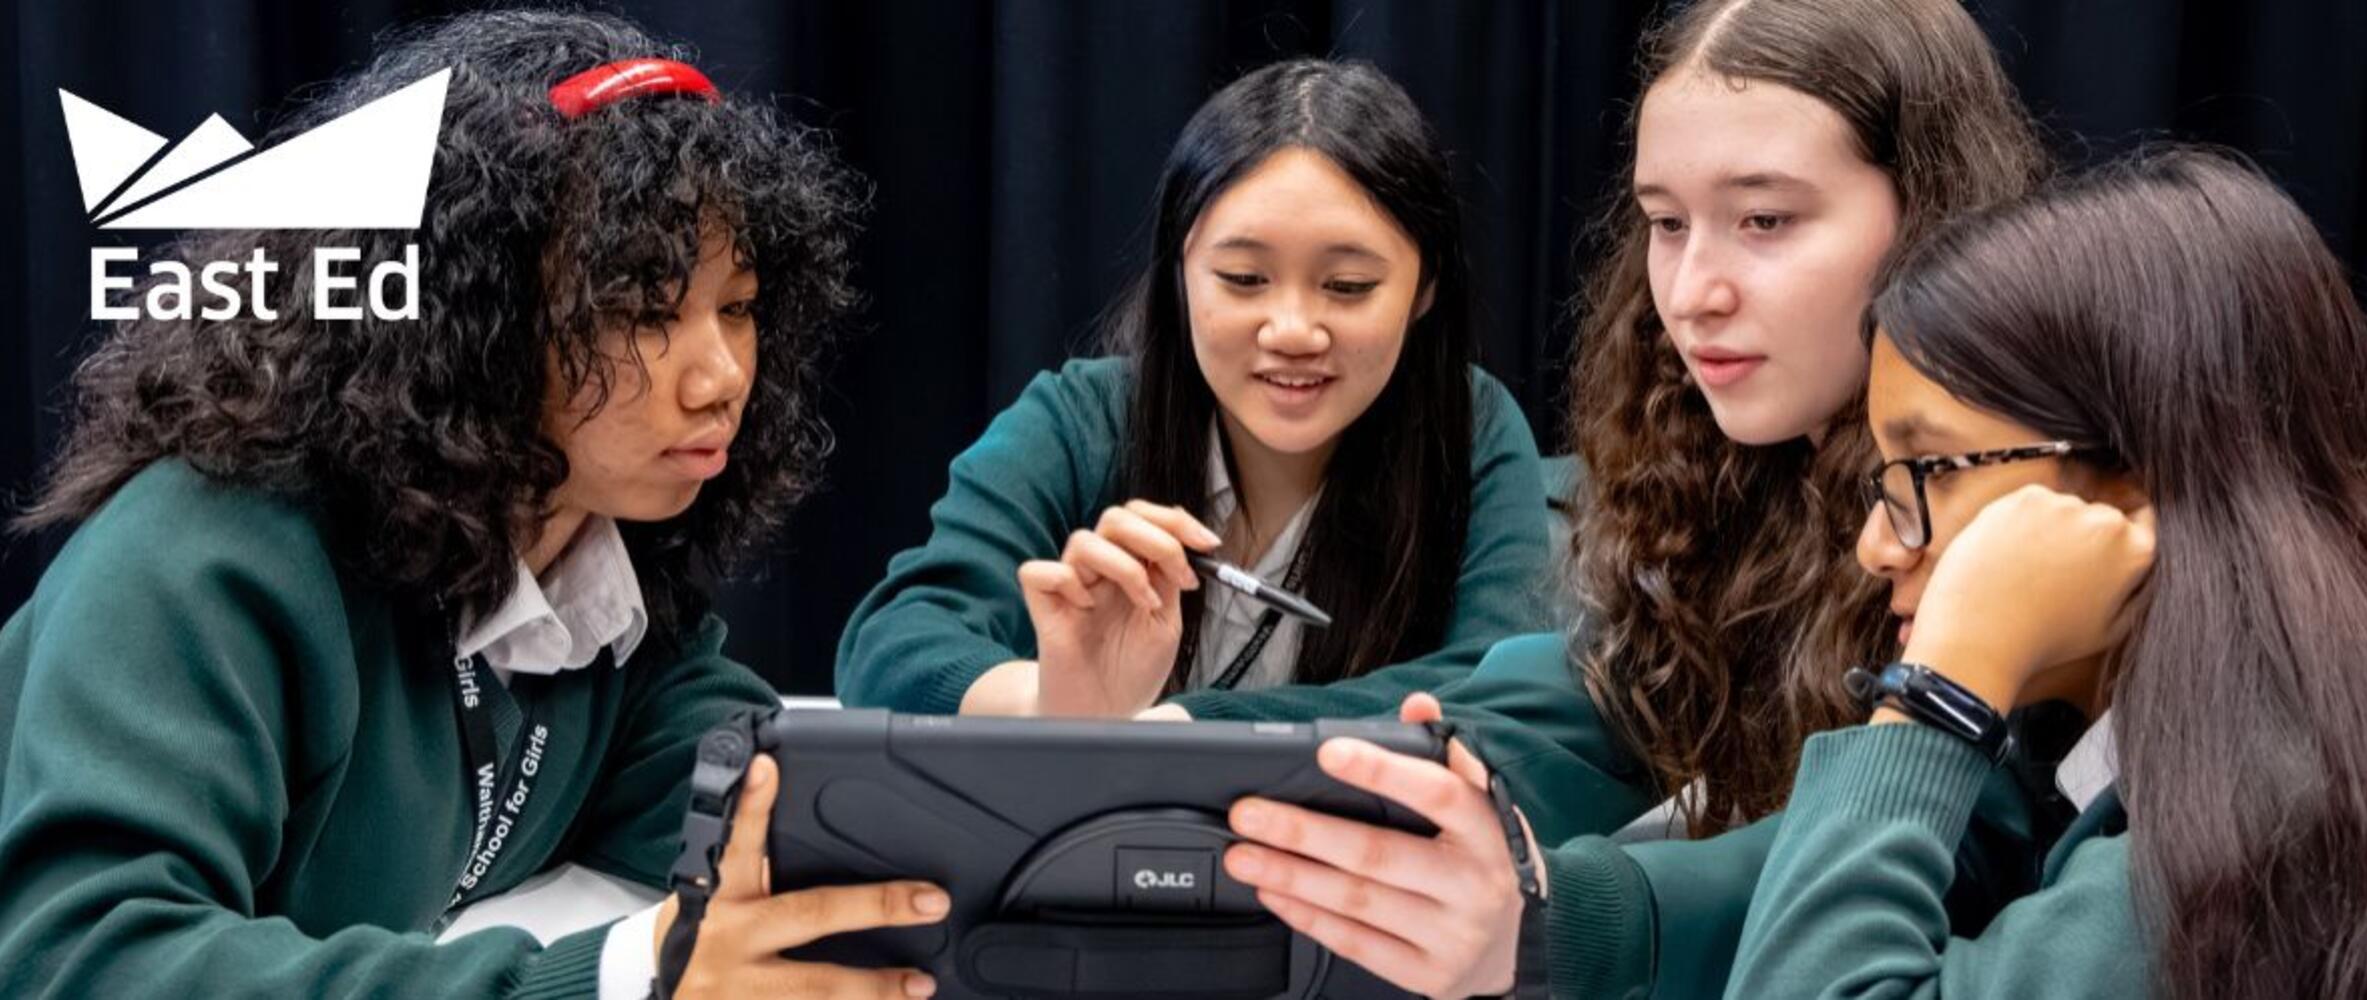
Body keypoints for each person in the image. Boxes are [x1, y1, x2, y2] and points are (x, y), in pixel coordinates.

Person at [0, 11, 946, 998]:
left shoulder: (604, 594)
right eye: (643, 312)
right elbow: (80, 954)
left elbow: (790, 826)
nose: (719, 378)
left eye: (738, 308)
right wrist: (622, 977)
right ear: (472, 324)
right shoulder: (205, 557)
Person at [1216, 2, 2065, 997]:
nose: (1692, 289)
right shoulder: (1731, 463)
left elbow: (1944, 828)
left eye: (1764, 220)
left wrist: (1550, 917)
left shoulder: (2031, 485)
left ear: (1930, 212)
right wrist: (1184, 757)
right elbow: (1585, 695)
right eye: (1665, 223)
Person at [1726, 148, 2367, 999]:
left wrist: (1939, 690)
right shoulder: (2110, 739)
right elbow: (1763, 890)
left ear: (2141, 478)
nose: (1876, 545)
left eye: (1936, 469)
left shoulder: (2279, 827)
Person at [834, 58, 1553, 722]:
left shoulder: (1471, 429)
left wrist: (1181, 730)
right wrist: (1059, 700)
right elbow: (892, 645)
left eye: (1348, 287)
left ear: (1425, 288)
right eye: (1243, 280)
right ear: (1180, 272)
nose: (1293, 329)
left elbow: (1496, 691)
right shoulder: (1080, 420)